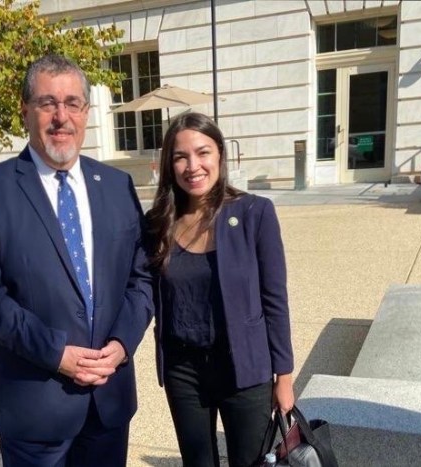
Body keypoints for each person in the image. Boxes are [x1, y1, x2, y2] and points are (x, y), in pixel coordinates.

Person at [0, 54, 153, 466]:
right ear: (26, 111)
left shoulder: (117, 186)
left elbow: (142, 277)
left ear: (85, 112)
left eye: (72, 103)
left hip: (108, 403)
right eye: (47, 103)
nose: (61, 116)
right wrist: (56, 352)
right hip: (34, 409)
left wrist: (122, 344)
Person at [145, 112, 295, 467]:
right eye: (180, 157)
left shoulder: (254, 213)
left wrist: (284, 376)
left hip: (244, 367)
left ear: (220, 156)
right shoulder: (158, 223)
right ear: (169, 164)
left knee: (250, 462)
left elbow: (275, 299)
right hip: (184, 371)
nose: (192, 166)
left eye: (203, 153)